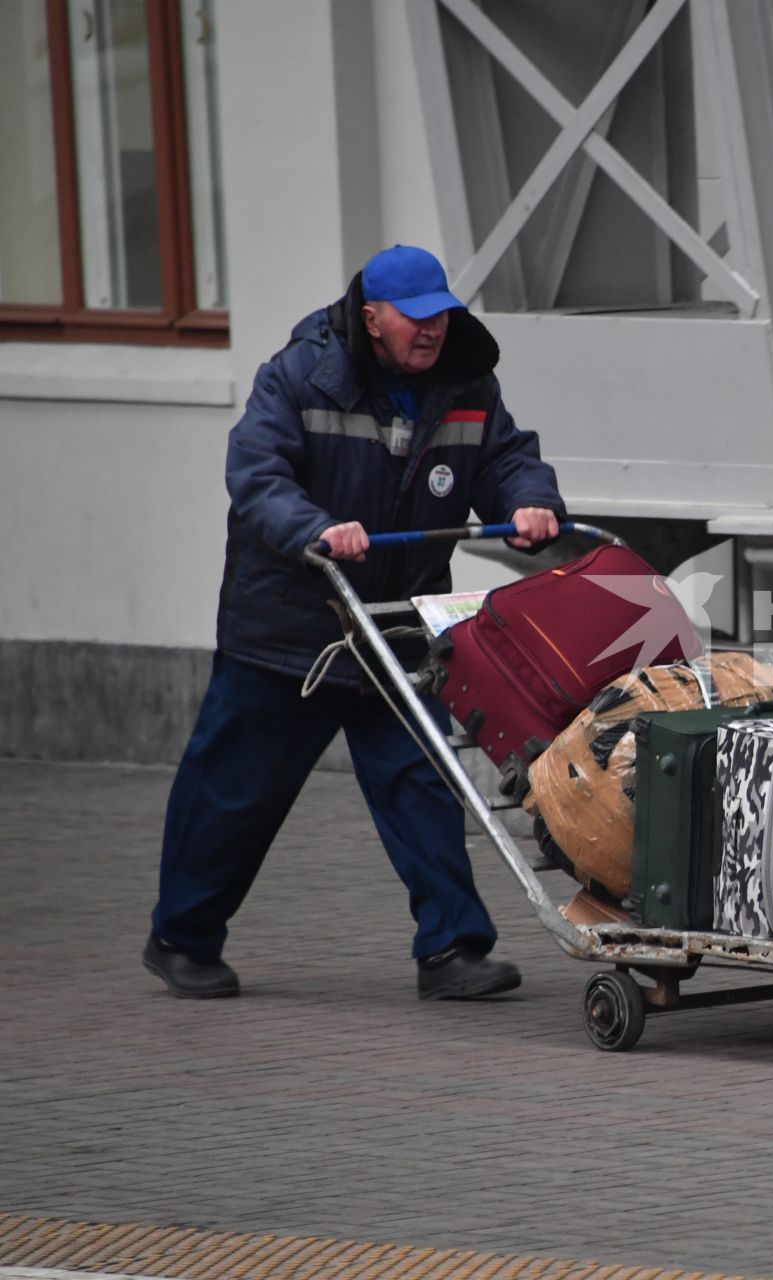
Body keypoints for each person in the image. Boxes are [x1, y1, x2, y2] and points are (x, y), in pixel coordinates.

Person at [144, 245, 565, 1001]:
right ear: (371, 318)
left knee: (421, 784)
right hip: (290, 630)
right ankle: (183, 936)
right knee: (236, 792)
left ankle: (452, 950)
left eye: (441, 313)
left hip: (396, 625)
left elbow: (505, 461)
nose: (433, 329)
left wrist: (530, 503)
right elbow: (257, 476)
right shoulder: (300, 374)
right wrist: (316, 529)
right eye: (416, 317)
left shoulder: (466, 380)